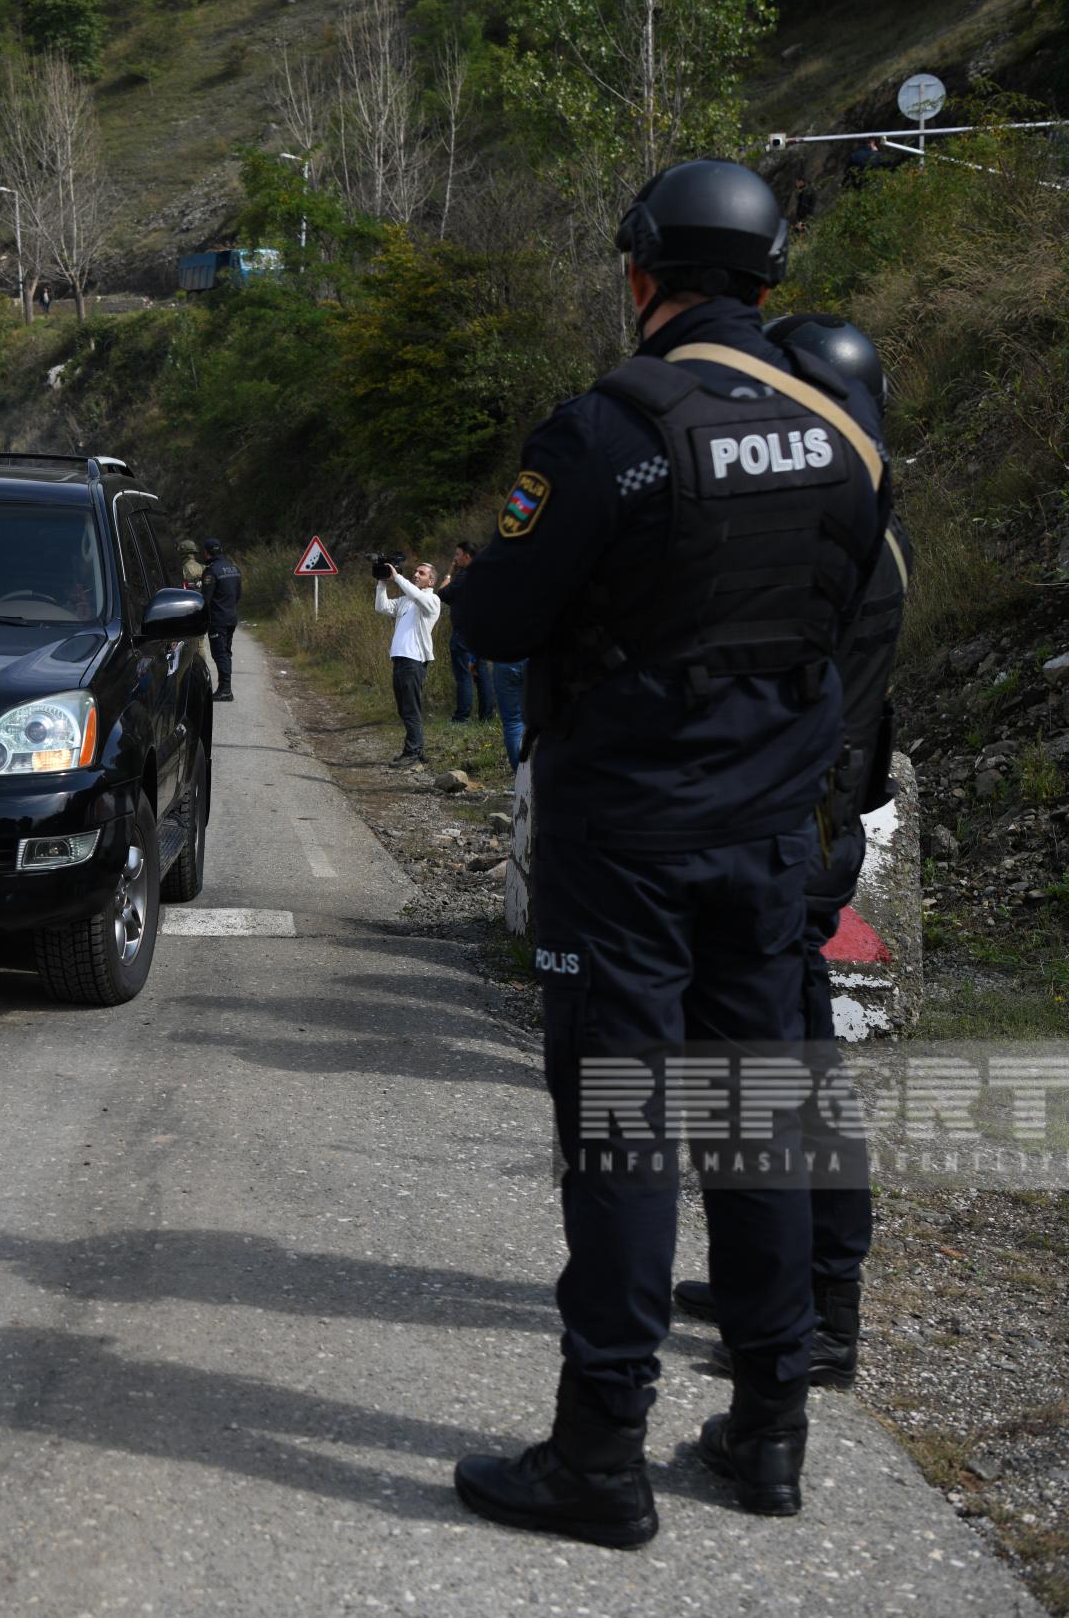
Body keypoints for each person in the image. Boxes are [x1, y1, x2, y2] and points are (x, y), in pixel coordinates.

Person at [446, 159, 890, 1549]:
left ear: (643, 271)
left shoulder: (611, 430)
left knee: (627, 1140)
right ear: (766, 280)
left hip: (628, 845)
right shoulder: (846, 438)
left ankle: (600, 1452)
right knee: (759, 1120)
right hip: (766, 843)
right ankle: (770, 1425)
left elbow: (497, 623)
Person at [674, 314, 912, 1395]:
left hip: (799, 826)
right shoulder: (860, 514)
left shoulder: (851, 533)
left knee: (794, 1076)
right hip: (801, 819)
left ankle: (824, 1303)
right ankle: (759, 1275)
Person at [373, 559, 439, 766]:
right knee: (405, 709)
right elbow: (381, 607)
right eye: (415, 572)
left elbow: (418, 596)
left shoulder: (432, 600)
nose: (416, 575)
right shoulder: (405, 600)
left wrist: (398, 577)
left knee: (411, 708)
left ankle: (412, 752)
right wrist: (382, 582)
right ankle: (415, 750)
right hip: (400, 659)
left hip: (414, 660)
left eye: (422, 573)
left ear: (431, 581)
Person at [442, 543, 492, 723]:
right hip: (481, 630)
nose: (454, 559)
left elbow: (442, 593)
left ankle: (462, 716)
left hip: (463, 633)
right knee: (481, 672)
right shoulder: (484, 574)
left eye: (457, 555)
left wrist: (449, 573)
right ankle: (486, 716)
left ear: (467, 557)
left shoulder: (464, 575)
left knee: (464, 675)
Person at [200, 538, 240, 702]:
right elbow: (238, 595)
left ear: (207, 552)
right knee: (226, 652)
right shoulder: (234, 568)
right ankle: (225, 688)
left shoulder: (211, 571)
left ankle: (225, 690)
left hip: (218, 620)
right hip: (231, 617)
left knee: (220, 654)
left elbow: (205, 599)